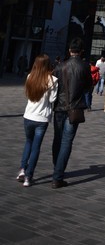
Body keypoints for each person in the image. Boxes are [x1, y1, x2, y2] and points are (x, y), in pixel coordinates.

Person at [52, 38, 93, 188]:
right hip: (74, 109)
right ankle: (58, 176)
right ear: (81, 51)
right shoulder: (84, 67)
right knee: (67, 141)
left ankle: (57, 168)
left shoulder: (60, 66)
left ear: (69, 50)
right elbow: (88, 86)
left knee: (57, 139)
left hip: (59, 108)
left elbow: (54, 87)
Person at [17, 54, 58, 187]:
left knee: (28, 142)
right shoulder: (52, 80)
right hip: (42, 118)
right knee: (36, 147)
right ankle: (28, 177)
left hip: (28, 115)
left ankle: (22, 170)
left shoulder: (30, 76)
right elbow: (52, 99)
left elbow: (28, 95)